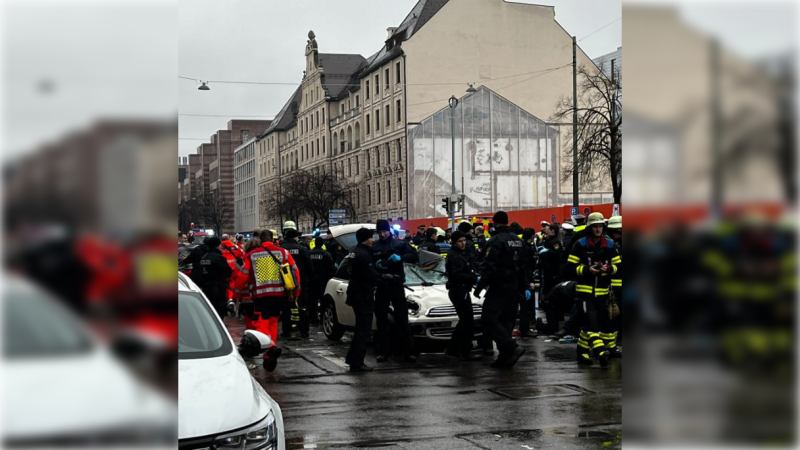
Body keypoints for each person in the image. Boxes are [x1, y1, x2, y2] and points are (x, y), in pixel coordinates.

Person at [235, 229, 300, 372]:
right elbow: (295, 272)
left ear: (260, 240)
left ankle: (270, 347)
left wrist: (236, 293)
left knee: (261, 322)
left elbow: (242, 277)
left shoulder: (252, 255)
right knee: (273, 322)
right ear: (273, 238)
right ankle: (269, 354)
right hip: (279, 295)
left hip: (261, 296)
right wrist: (296, 292)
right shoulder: (283, 253)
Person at [566, 212, 620, 367]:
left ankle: (582, 353)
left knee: (591, 326)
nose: (598, 230)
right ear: (590, 227)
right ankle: (600, 352)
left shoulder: (609, 245)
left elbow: (620, 267)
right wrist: (586, 270)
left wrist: (609, 268)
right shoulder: (580, 244)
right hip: (584, 293)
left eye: (600, 226)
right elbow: (570, 268)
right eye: (595, 226)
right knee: (592, 324)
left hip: (603, 293)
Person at [474, 211, 527, 368]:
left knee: (488, 319)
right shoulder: (518, 240)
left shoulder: (496, 241)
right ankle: (505, 357)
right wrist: (524, 287)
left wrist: (480, 286)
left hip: (499, 286)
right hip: (514, 286)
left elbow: (490, 267)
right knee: (506, 321)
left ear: (495, 223)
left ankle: (511, 347)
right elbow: (524, 266)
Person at [372, 219, 419, 362]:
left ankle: (408, 351)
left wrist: (400, 258)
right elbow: (370, 264)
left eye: (384, 231)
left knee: (402, 318)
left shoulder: (399, 244)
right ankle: (383, 351)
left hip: (396, 284)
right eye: (380, 232)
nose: (382, 234)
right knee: (381, 319)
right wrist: (377, 266)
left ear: (389, 231)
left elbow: (414, 257)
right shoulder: (375, 246)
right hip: (382, 285)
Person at [344, 228, 388, 373]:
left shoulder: (353, 251)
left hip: (355, 293)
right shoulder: (363, 255)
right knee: (364, 330)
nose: (373, 240)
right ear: (365, 239)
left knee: (360, 329)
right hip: (363, 294)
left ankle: (352, 358)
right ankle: (357, 362)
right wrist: (384, 278)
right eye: (371, 238)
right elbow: (368, 274)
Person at [444, 231, 482, 361]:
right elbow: (457, 275)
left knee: (466, 321)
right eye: (460, 241)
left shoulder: (460, 254)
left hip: (462, 290)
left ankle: (460, 348)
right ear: (454, 242)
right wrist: (473, 278)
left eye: (464, 240)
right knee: (466, 321)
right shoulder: (454, 256)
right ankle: (456, 349)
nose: (463, 243)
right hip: (458, 290)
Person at [279, 229, 315, 339]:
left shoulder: (281, 249)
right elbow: (309, 266)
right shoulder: (302, 248)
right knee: (301, 306)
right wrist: (310, 280)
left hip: (284, 282)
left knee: (286, 307)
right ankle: (304, 330)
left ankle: (286, 330)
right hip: (300, 282)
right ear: (295, 237)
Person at [536, 223, 566, 335]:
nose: (546, 231)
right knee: (550, 299)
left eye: (548, 230)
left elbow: (558, 256)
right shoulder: (549, 241)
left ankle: (552, 325)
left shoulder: (555, 242)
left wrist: (547, 252)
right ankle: (552, 323)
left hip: (552, 275)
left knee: (550, 299)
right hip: (548, 273)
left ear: (553, 231)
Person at [198, 237, 232, 320]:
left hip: (206, 287)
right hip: (218, 287)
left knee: (210, 308)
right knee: (219, 309)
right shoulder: (219, 258)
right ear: (217, 245)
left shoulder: (203, 258)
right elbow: (228, 272)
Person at [308, 236, 336, 325]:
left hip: (312, 280)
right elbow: (331, 268)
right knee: (322, 299)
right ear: (322, 244)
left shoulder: (309, 253)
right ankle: (322, 318)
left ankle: (313, 318)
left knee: (312, 299)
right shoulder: (326, 254)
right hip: (323, 280)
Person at [605, 215, 622, 357]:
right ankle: (610, 345)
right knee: (610, 317)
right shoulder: (607, 244)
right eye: (617, 230)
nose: (620, 233)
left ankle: (615, 343)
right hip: (610, 286)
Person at [516, 227, 537, 338]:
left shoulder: (521, 246)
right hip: (526, 280)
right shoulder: (528, 248)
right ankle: (525, 330)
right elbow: (527, 267)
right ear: (532, 236)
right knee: (526, 307)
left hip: (520, 279)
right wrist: (530, 281)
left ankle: (523, 328)